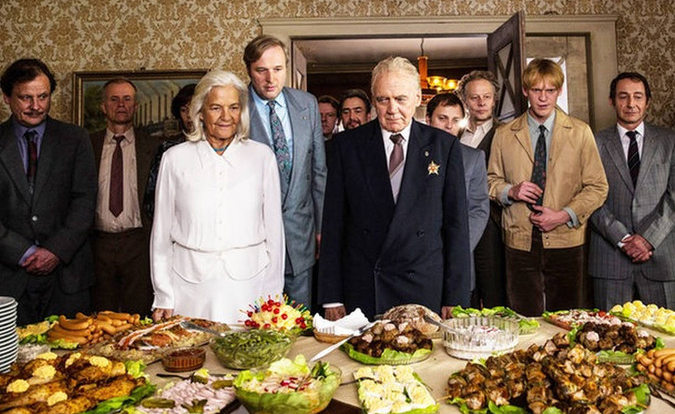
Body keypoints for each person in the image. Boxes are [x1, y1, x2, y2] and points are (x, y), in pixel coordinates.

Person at [319, 57, 471, 320]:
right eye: (383, 99)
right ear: (373, 100)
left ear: (417, 98)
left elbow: (456, 227)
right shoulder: (346, 146)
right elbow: (334, 225)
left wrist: (455, 297)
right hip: (366, 285)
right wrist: (331, 295)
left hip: (423, 285)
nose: (392, 109)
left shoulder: (444, 146)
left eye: (400, 99)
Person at [150, 70, 284, 324]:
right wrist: (164, 295)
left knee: (245, 349)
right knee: (193, 347)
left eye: (233, 107)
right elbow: (161, 234)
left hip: (248, 286)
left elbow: (274, 233)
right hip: (189, 287)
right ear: (200, 112)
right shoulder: (175, 159)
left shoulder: (261, 157)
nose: (226, 116)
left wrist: (272, 297)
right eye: (216, 108)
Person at [487, 59, 608, 315]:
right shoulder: (504, 134)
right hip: (519, 239)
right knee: (523, 318)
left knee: (566, 318)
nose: (543, 98)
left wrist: (564, 214)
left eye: (550, 90)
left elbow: (597, 186)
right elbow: (489, 181)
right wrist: (511, 191)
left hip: (567, 237)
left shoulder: (580, 132)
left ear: (559, 91)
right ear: (525, 91)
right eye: (536, 90)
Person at [0, 58, 97, 325]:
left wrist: (55, 251)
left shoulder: (75, 139)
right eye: (26, 98)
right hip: (9, 280)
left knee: (72, 351)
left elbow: (85, 202)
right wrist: (23, 252)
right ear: (7, 98)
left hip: (67, 279)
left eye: (43, 96)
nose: (36, 106)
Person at [590, 72, 675, 311]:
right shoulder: (594, 142)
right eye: (623, 96)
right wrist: (623, 239)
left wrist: (647, 239)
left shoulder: (671, 140)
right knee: (609, 330)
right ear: (612, 101)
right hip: (610, 256)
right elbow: (589, 196)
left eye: (638, 96)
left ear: (648, 101)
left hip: (663, 255)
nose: (631, 104)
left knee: (667, 330)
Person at [244, 35, 327, 309]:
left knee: (299, 319)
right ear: (249, 70)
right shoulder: (235, 108)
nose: (271, 79)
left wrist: (320, 227)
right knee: (253, 319)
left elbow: (318, 171)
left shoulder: (307, 104)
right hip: (252, 238)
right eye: (261, 70)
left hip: (299, 234)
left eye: (278, 69)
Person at [89, 78, 159, 316]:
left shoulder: (154, 147)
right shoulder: (87, 144)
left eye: (127, 99)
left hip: (139, 242)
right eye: (114, 99)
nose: (121, 104)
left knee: (139, 314)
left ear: (135, 106)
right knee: (100, 317)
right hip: (97, 244)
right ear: (103, 106)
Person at [426, 93, 489, 301]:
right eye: (442, 118)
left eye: (455, 120)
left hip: (458, 261)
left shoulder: (474, 158)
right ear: (428, 119)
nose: (449, 125)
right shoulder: (410, 156)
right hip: (418, 261)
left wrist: (457, 248)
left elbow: (478, 210)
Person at [456, 70, 506, 308]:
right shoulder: (455, 135)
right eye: (474, 97)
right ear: (464, 101)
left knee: (493, 289)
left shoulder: (507, 133)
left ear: (494, 100)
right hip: (459, 222)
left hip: (493, 224)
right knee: (465, 286)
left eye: (487, 96)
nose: (481, 102)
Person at [144, 84, 195, 219]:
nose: (189, 115)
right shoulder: (168, 149)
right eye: (184, 110)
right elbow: (152, 199)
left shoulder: (218, 148)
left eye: (194, 108)